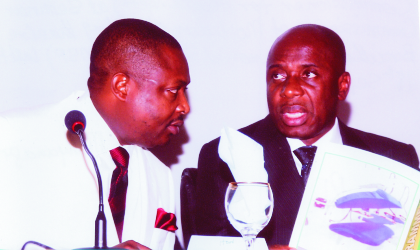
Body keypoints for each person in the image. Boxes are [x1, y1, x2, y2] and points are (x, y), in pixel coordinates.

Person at [194, 24, 419, 247]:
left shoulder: (395, 159)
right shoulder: (224, 156)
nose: (289, 89)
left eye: (308, 74)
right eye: (278, 75)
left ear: (342, 86)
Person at [0, 19, 190, 250]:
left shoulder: (162, 177)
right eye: (173, 91)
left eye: (184, 92)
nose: (185, 106)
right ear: (122, 86)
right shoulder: (13, 137)